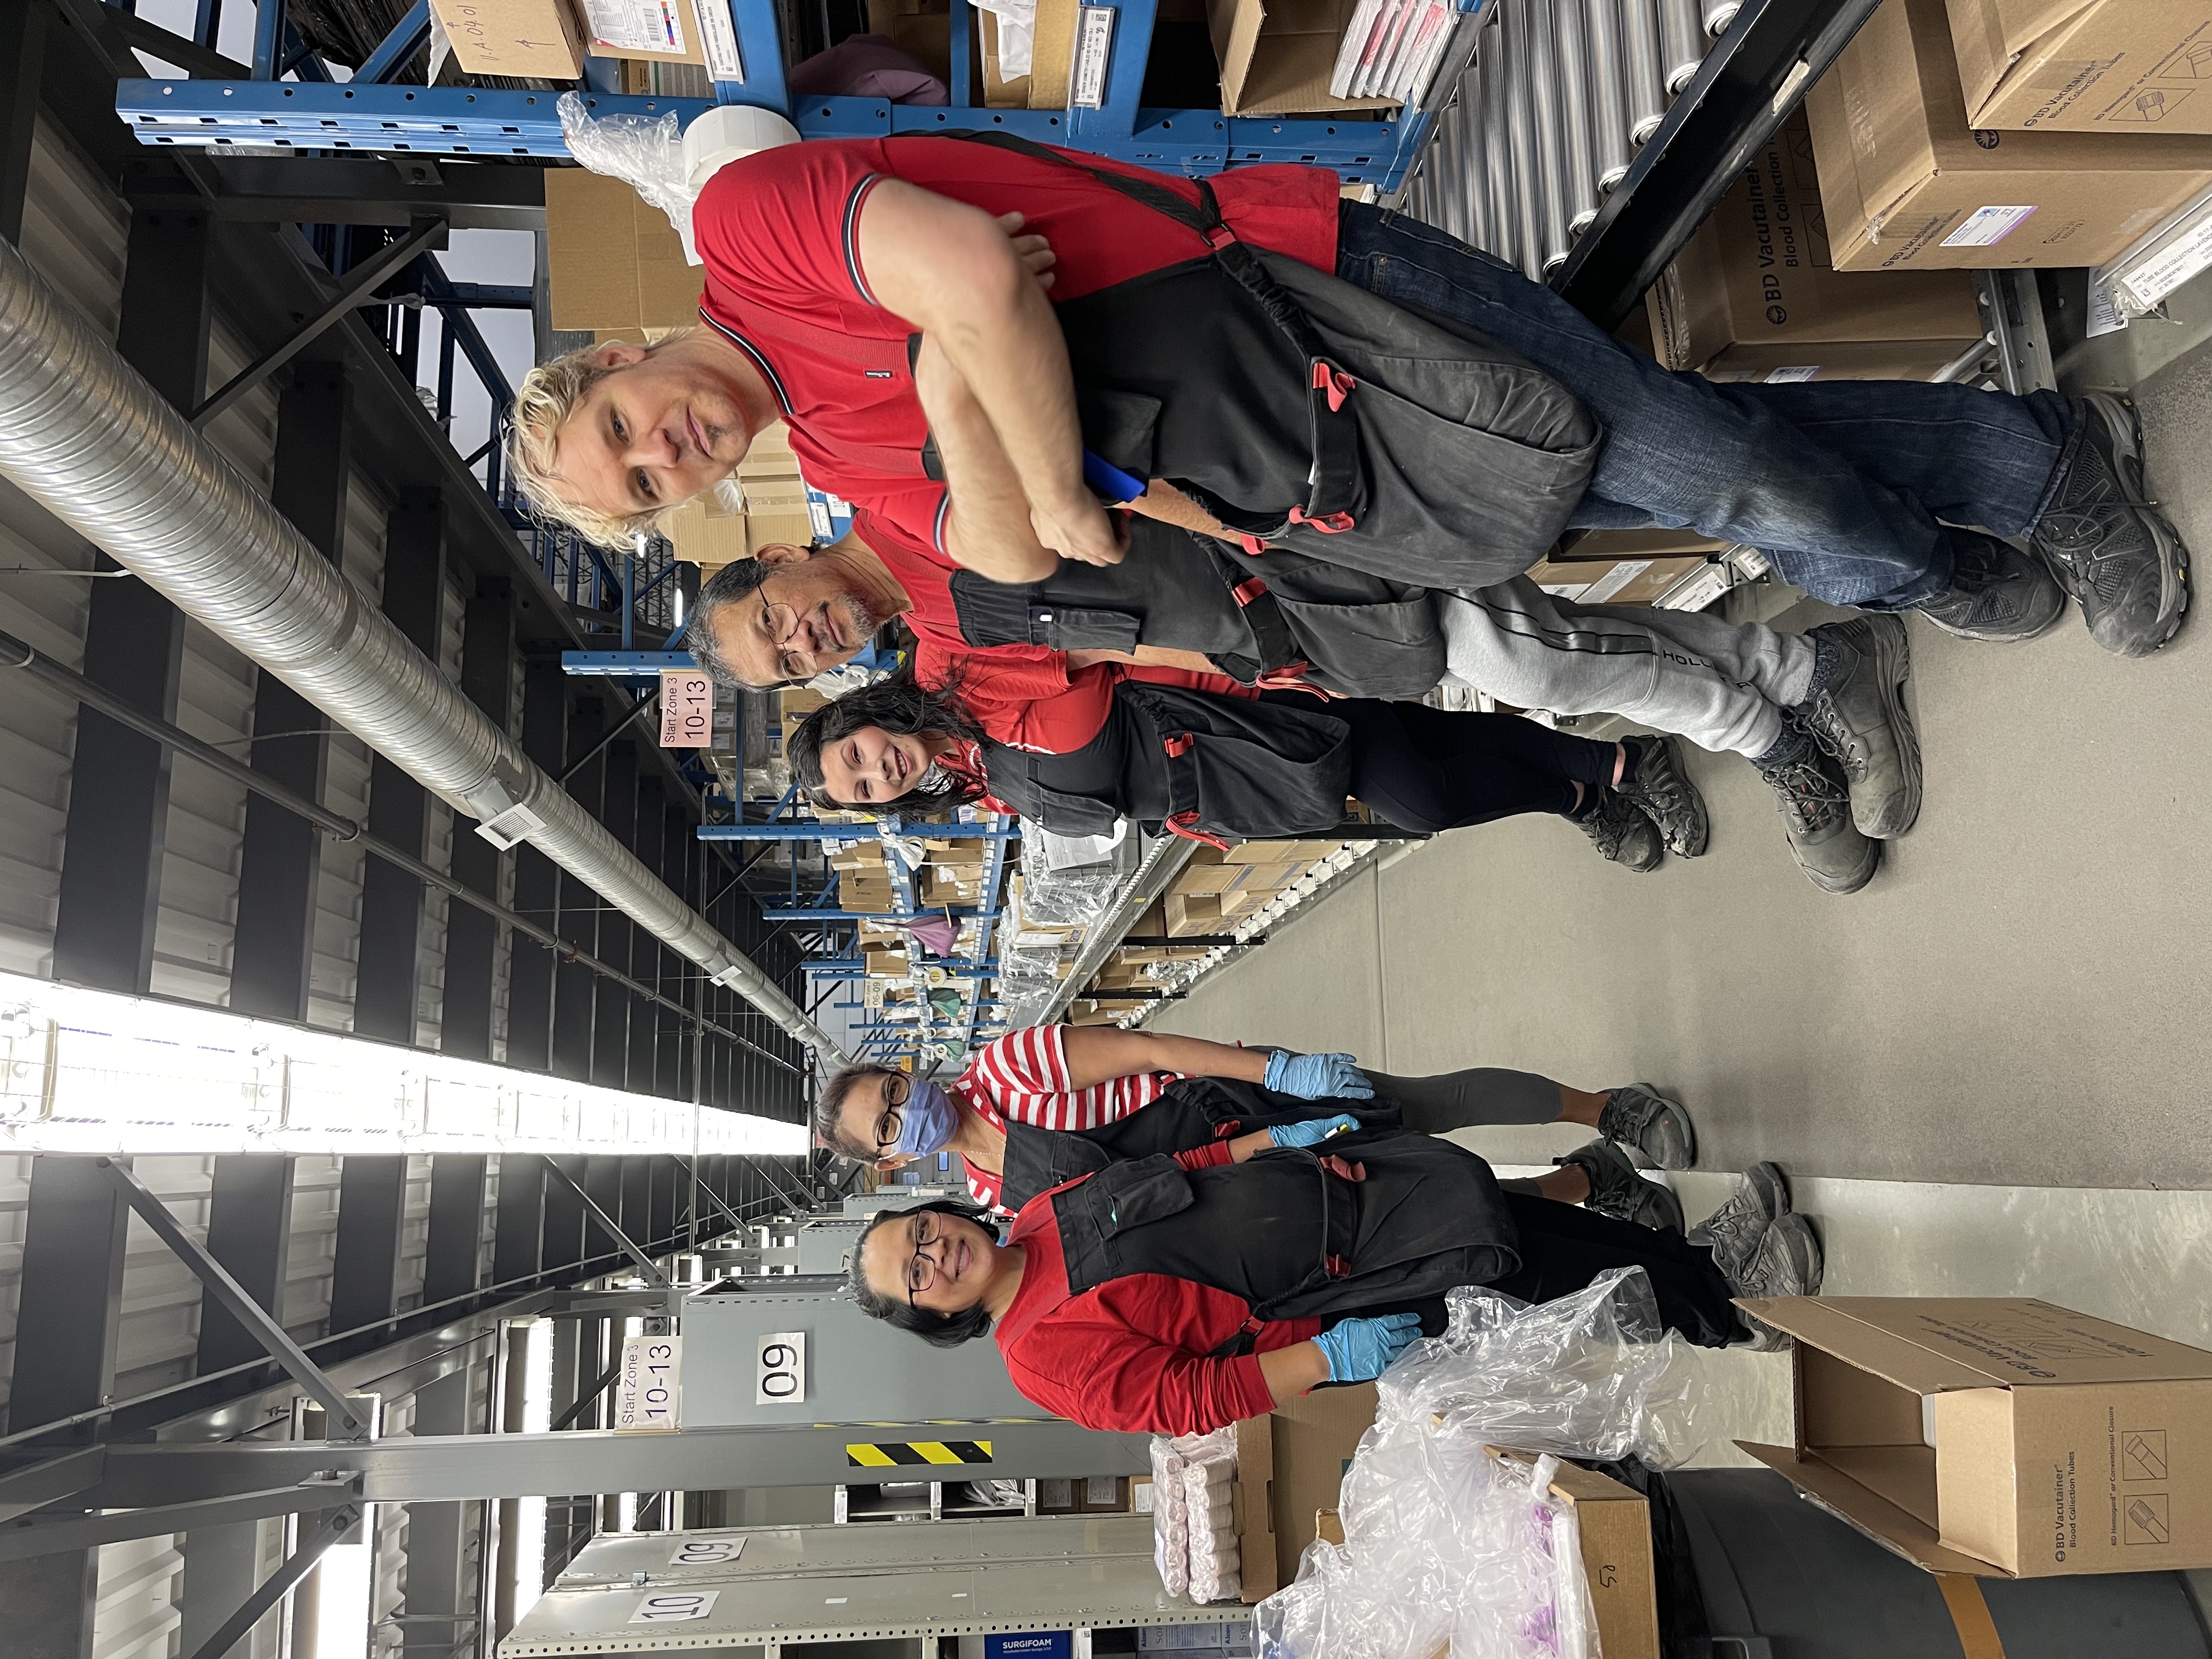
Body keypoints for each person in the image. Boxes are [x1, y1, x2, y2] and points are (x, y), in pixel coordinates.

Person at [505, 136, 2185, 663]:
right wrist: (967, 376)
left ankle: (1979, 537)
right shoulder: (849, 460)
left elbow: (984, 305)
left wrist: (1007, 397)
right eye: (647, 487)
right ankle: (2026, 463)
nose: (665, 452)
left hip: (1323, 301)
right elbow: (1014, 561)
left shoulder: (746, 232)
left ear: (621, 361)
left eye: (624, 428)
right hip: (1307, 457)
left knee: (1711, 467)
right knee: (1651, 479)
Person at [687, 526, 1914, 891]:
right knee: (1551, 660)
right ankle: (1788, 682)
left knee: (1536, 667)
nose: (803, 646)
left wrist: (1281, 654)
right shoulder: (969, 729)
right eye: (787, 665)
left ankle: (1774, 708)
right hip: (1271, 703)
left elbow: (1139, 636)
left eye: (778, 624)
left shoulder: (951, 614)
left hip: (1277, 612)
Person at [844, 1135, 1822, 1435]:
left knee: (1521, 1220)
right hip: (1341, 1298)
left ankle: (1700, 1262)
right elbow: (1191, 1398)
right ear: (935, 1315)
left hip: (1333, 1205)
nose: (934, 1255)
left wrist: (1272, 1141)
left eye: (920, 1233)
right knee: (1534, 1278)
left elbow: (1180, 1171)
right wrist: (1329, 1357)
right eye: (916, 1276)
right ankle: (1732, 1315)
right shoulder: (1038, 1359)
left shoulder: (1036, 1216)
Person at [786, 666, 1711, 876]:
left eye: (860, 753)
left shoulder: (970, 678)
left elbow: (1114, 654)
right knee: (1421, 749)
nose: (880, 770)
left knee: (1420, 795)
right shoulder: (980, 779)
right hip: (1238, 780)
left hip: (1249, 707)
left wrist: (1256, 670)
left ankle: (1612, 767)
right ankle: (1584, 786)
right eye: (866, 787)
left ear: (865, 714)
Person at [812, 1026, 1695, 1228]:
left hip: (1248, 1101)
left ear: (906, 1070)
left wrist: (1276, 1070)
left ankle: (1607, 1107)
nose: (906, 1111)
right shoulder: (994, 1198)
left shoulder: (1006, 1069)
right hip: (1235, 1189)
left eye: (893, 1091)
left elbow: (1143, 1048)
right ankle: (1584, 1183)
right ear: (890, 1162)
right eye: (888, 1128)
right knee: (1416, 1202)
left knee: (1430, 1107)